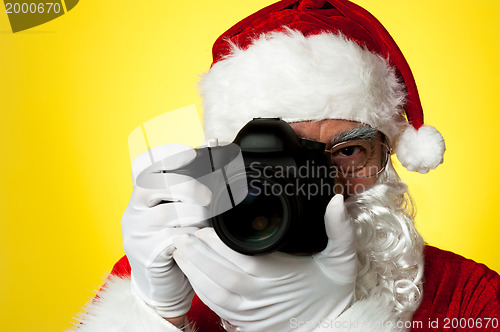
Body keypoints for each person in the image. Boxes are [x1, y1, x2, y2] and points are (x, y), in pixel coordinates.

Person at [70, 1, 500, 331]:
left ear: (387, 155)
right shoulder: (163, 267)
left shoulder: (470, 297)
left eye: (348, 152)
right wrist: (154, 316)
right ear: (226, 158)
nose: (319, 181)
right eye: (278, 157)